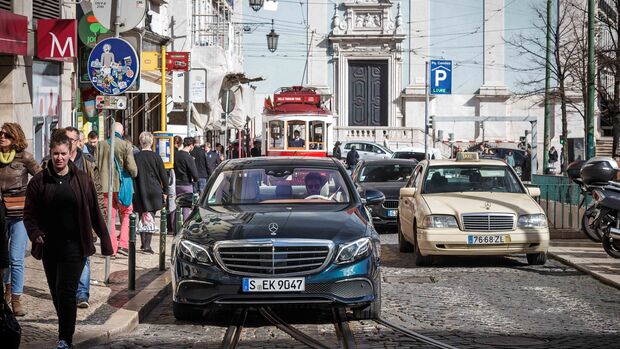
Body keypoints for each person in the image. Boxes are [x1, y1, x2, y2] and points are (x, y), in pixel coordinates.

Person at [24, 132, 113, 349]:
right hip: (50, 246)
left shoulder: (82, 179)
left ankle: (65, 338)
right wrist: (35, 233)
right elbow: (29, 214)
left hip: (76, 246)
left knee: (66, 291)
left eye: (63, 154)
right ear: (50, 153)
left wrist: (106, 241)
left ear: (70, 153)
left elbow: (94, 212)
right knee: (56, 292)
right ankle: (65, 329)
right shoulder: (39, 181)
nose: (59, 158)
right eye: (55, 154)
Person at [61, 127, 105, 309]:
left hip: (84, 216)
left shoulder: (87, 162)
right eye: (67, 138)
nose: (70, 142)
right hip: (61, 218)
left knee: (85, 256)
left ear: (79, 142)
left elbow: (97, 192)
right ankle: (65, 290)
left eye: (73, 139)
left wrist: (99, 219)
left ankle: (82, 294)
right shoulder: (55, 160)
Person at [0, 123, 40, 317]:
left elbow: (41, 179)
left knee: (16, 258)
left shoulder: (25, 157)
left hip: (19, 215)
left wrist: (31, 200)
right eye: (1, 134)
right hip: (0, 213)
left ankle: (16, 298)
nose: (2, 137)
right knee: (3, 259)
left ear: (15, 137)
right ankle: (6, 292)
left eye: (7, 134)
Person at [95, 122, 138, 257]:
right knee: (127, 213)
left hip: (105, 186)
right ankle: (124, 245)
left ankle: (111, 248)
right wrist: (134, 173)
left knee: (109, 217)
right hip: (121, 186)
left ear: (109, 131)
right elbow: (131, 167)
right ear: (122, 132)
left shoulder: (100, 145)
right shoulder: (125, 145)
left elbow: (95, 165)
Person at [133, 132, 168, 254]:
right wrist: (166, 191)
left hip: (139, 189)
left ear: (140, 142)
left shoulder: (136, 157)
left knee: (142, 215)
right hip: (154, 190)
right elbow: (164, 175)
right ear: (151, 143)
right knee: (150, 216)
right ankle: (146, 245)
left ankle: (144, 243)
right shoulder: (156, 157)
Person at [174, 137, 199, 220]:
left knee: (176, 207)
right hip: (186, 184)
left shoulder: (176, 154)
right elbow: (195, 174)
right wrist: (195, 180)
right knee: (186, 208)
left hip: (176, 184)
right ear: (191, 145)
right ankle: (185, 226)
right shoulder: (188, 157)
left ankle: (174, 228)